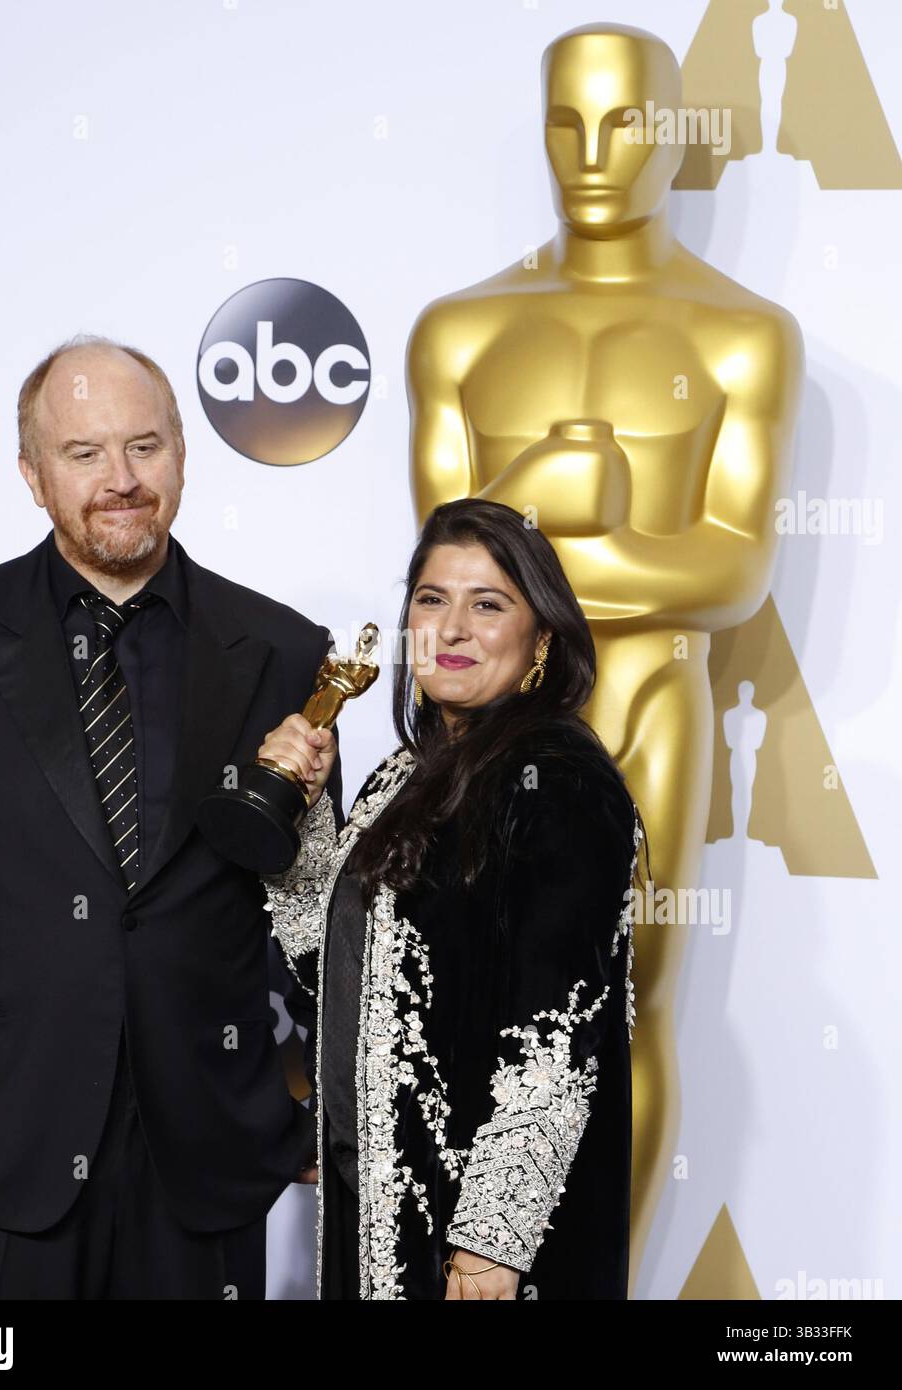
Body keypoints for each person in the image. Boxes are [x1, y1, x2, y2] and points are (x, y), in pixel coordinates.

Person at [0, 334, 338, 1299]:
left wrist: (331, 1110)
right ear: (33, 478)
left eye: (144, 446)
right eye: (84, 454)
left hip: (201, 1159)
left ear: (183, 456)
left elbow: (320, 915)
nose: (121, 479)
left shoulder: (286, 651)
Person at [260, 497, 647, 1300]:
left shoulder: (558, 780)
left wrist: (490, 1251)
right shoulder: (405, 776)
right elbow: (326, 976)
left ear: (542, 638)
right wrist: (296, 813)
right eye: (432, 599)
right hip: (378, 1216)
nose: (454, 627)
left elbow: (558, 1036)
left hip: (475, 1251)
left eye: (489, 604)